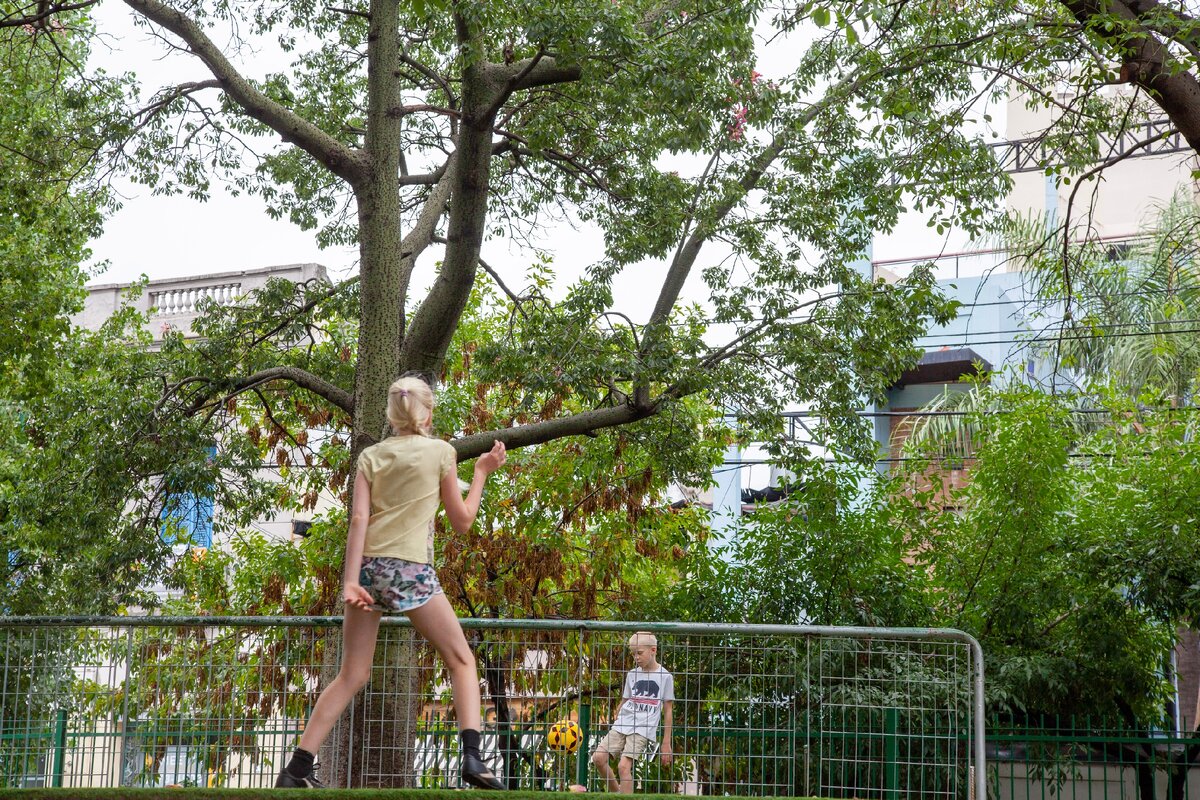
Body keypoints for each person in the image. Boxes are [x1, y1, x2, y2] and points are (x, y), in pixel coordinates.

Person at [276, 376, 507, 790]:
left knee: (351, 674)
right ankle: (473, 759)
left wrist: (350, 580)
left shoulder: (371, 456)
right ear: (428, 413)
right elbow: (463, 522)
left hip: (366, 572)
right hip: (409, 569)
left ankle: (295, 771)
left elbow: (359, 520)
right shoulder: (442, 452)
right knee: (461, 659)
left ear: (390, 414)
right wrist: (482, 472)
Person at [590, 632, 674, 794]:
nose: (636, 657)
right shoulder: (632, 674)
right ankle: (616, 793)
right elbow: (625, 700)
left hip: (642, 728)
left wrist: (666, 742)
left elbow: (668, 709)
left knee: (623, 767)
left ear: (653, 650)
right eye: (633, 654)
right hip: (623, 723)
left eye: (640, 653)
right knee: (598, 758)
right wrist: (617, 717)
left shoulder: (665, 677)